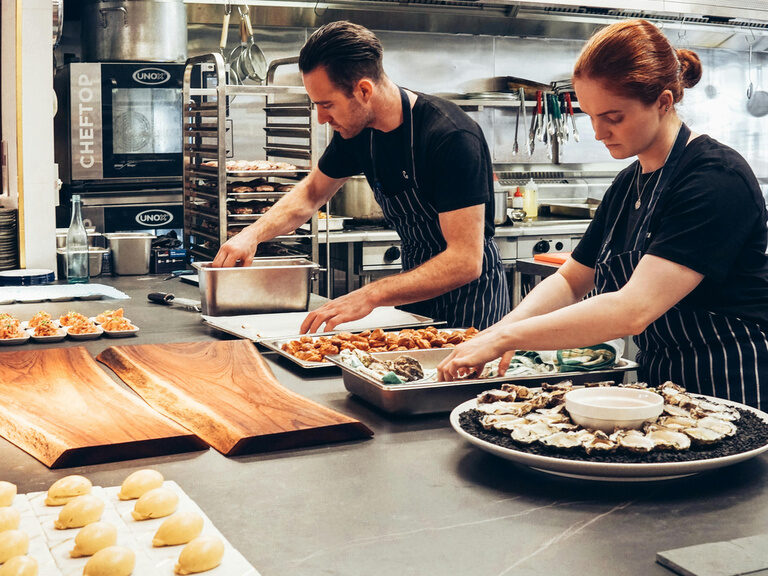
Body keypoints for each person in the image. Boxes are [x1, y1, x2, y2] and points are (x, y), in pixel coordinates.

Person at [437, 19, 768, 412]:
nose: (598, 132)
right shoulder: (629, 183)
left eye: (613, 117)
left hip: (735, 382)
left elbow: (633, 310)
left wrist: (506, 339)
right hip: (665, 385)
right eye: (590, 115)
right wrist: (501, 330)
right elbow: (571, 280)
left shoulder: (715, 178)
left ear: (663, 102)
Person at [212, 21, 509, 333]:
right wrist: (251, 235)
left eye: (327, 105)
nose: (321, 118)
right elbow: (312, 193)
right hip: (414, 297)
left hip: (471, 305)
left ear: (364, 90)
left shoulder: (450, 136)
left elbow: (464, 261)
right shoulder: (358, 133)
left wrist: (370, 295)